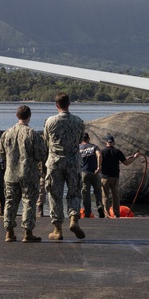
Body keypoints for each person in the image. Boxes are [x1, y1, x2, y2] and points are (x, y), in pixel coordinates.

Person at [0, 104, 48, 243]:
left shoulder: (6, 133)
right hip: (28, 173)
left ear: (17, 116)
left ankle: (9, 232)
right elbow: (41, 154)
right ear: (29, 116)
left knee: (10, 202)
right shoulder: (32, 134)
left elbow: (1, 153)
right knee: (29, 202)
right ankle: (28, 232)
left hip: (10, 173)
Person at [43, 92, 86, 240]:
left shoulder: (50, 121)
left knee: (55, 195)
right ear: (69, 104)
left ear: (56, 105)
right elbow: (80, 140)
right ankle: (73, 218)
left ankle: (57, 229)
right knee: (74, 192)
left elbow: (46, 141)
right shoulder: (79, 121)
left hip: (55, 162)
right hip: (73, 162)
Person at [99, 134, 142, 219]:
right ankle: (116, 214)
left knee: (105, 196)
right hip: (115, 178)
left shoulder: (102, 152)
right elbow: (126, 163)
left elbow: (98, 163)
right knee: (115, 196)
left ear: (106, 142)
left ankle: (106, 214)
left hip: (104, 178)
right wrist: (135, 157)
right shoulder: (117, 152)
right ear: (113, 142)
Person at [79, 133, 104, 218]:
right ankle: (100, 206)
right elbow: (99, 155)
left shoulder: (78, 148)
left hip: (84, 173)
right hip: (94, 172)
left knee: (86, 193)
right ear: (89, 138)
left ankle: (87, 211)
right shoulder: (94, 147)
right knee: (97, 190)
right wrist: (99, 167)